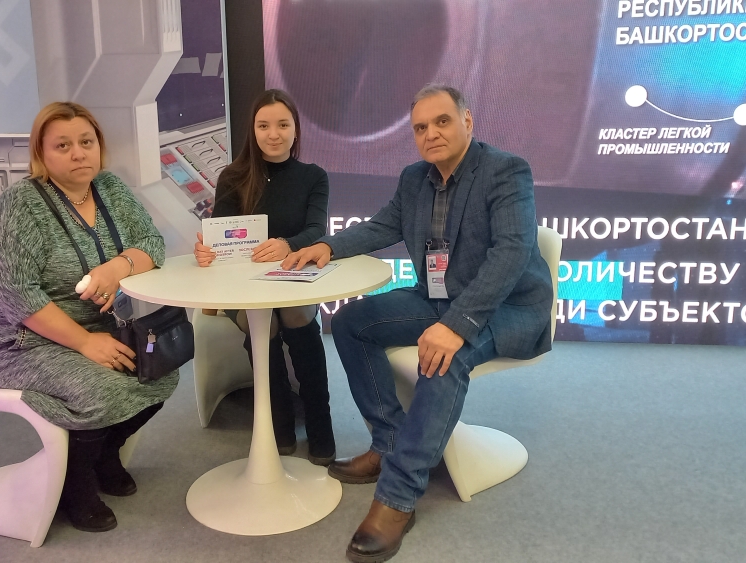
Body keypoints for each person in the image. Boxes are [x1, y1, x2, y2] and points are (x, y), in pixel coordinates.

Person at [284, 84, 554, 562]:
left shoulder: (506, 170)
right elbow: (382, 226)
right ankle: (388, 441)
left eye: (442, 121)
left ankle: (398, 495)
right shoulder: (415, 178)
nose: (431, 134)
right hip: (438, 298)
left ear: (467, 121)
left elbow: (511, 253)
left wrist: (458, 324)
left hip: (506, 307)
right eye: (421, 127)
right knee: (351, 321)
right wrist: (326, 246)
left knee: (443, 358)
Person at [0, 102, 175, 533]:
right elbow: (16, 295)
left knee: (162, 372)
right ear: (41, 153)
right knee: (100, 390)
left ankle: (102, 454)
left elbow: (151, 243)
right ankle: (73, 484)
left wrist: (117, 267)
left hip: (97, 327)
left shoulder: (109, 188)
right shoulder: (19, 207)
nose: (78, 153)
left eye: (86, 141)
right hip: (20, 340)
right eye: (62, 146)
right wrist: (84, 343)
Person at [193, 89, 335, 464]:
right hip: (240, 286)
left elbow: (316, 230)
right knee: (264, 321)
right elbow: (219, 234)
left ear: (296, 129)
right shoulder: (233, 176)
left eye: (283, 125)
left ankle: (320, 424)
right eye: (264, 126)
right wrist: (206, 249)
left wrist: (288, 245)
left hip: (291, 277)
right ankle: (278, 424)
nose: (274, 134)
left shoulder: (313, 177)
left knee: (295, 313)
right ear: (253, 131)